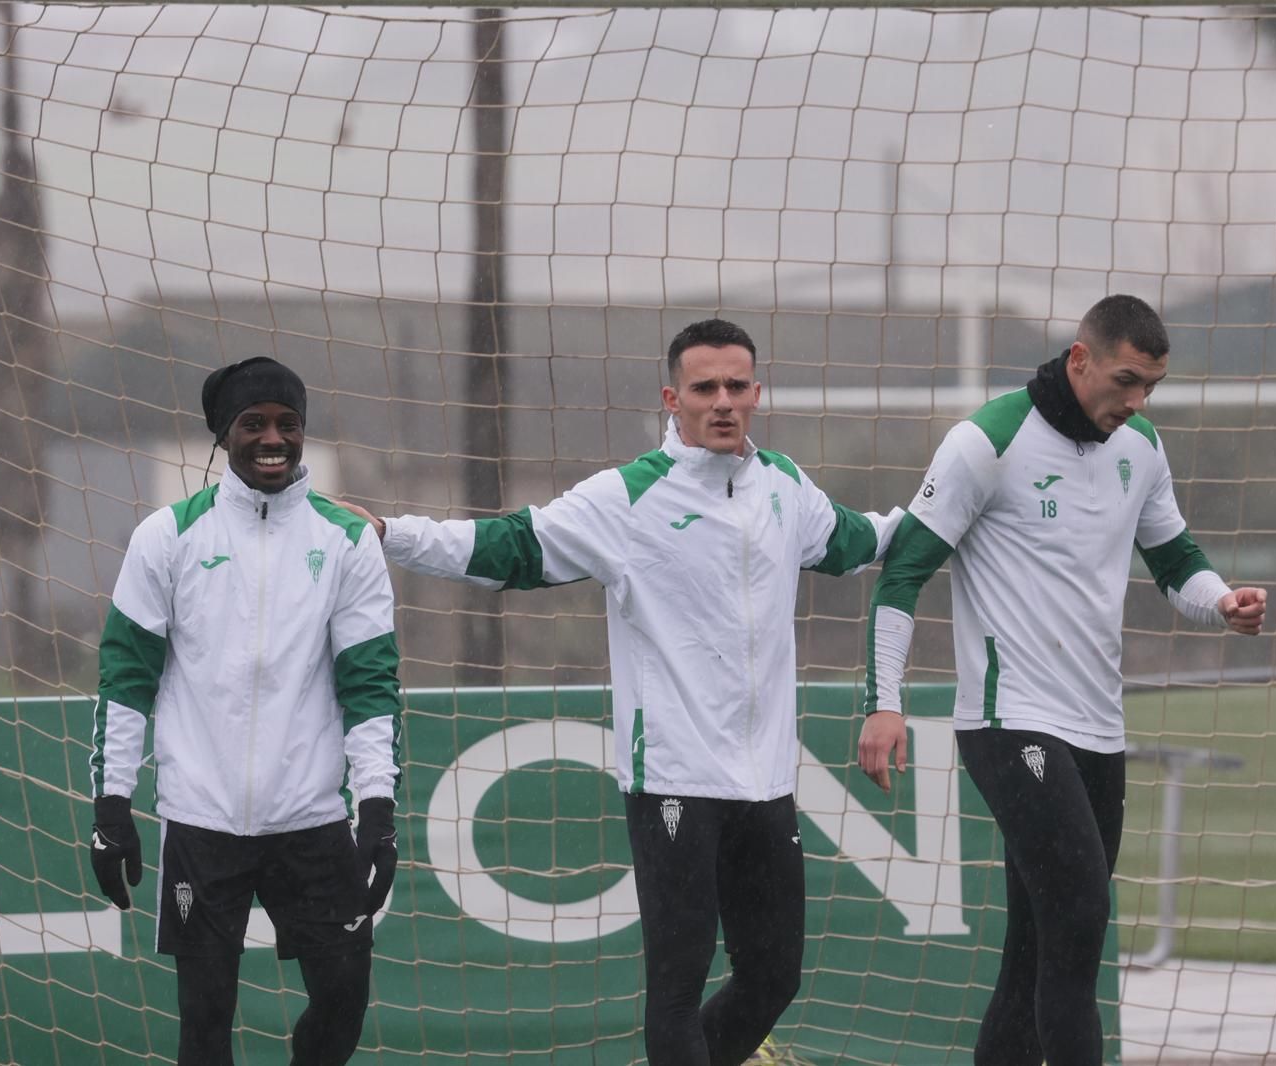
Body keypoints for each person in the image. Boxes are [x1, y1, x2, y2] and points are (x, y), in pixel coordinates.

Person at [357, 318, 901, 1066]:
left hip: (768, 782)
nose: (722, 402)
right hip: (673, 781)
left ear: (757, 394)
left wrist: (956, 518)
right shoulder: (627, 496)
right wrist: (390, 533)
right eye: (704, 388)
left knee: (775, 977)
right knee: (677, 990)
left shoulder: (784, 487)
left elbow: (862, 539)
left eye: (736, 386)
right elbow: (510, 546)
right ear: (672, 399)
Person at [856, 295, 1267, 1066]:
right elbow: (902, 575)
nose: (1138, 400)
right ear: (1080, 359)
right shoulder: (988, 440)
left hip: (1097, 728)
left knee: (1037, 946)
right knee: (1081, 911)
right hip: (1010, 723)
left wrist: (1224, 602)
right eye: (1126, 379)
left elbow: (1175, 561)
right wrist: (885, 703)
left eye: (1151, 386)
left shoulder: (1140, 445)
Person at [87, 356, 403, 1066]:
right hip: (203, 820)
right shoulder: (167, 536)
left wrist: (376, 809)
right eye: (253, 423)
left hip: (312, 820)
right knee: (205, 1020)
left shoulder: (346, 541)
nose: (273, 439)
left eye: (288, 424)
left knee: (344, 999)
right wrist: (112, 808)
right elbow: (125, 678)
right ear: (223, 436)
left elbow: (370, 684)